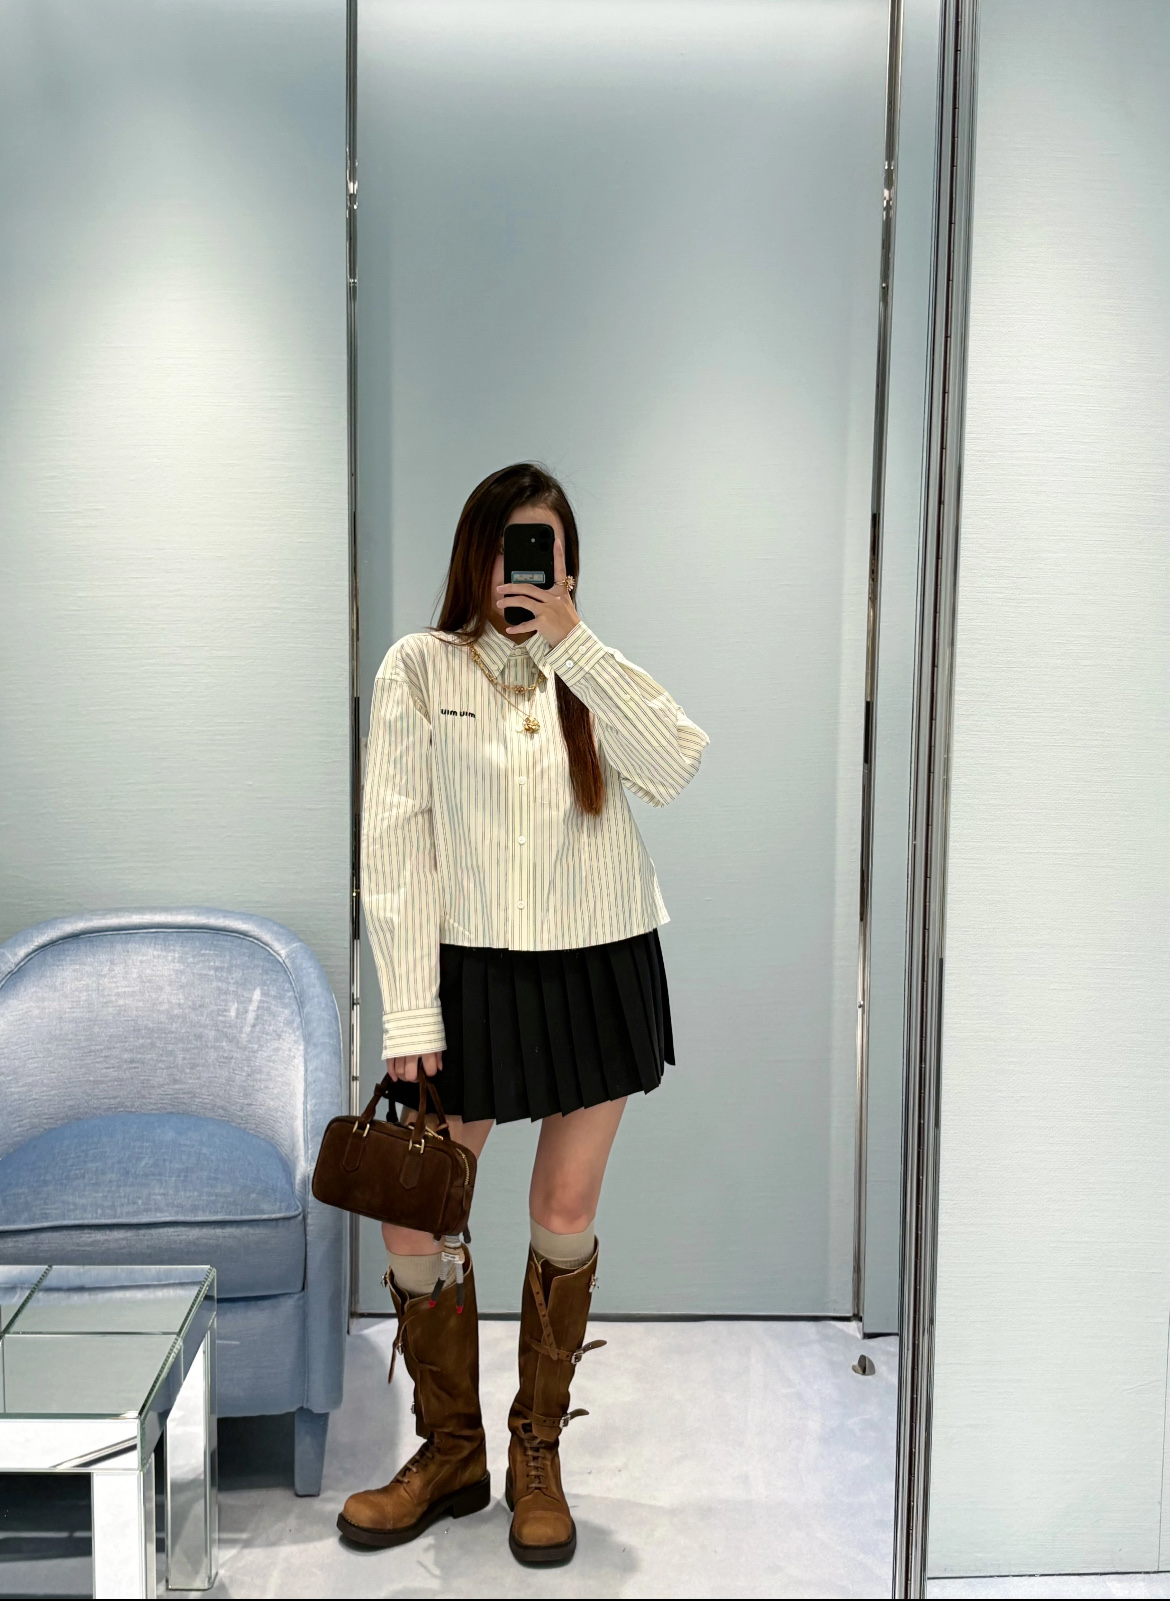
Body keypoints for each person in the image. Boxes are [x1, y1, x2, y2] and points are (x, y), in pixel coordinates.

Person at [338, 462, 708, 1566]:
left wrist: (572, 642)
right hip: (466, 979)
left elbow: (675, 765)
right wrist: (409, 1011)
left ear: (568, 565)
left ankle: (536, 1451)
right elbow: (394, 844)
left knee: (564, 1205)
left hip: (598, 961)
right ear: (475, 556)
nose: (523, 570)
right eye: (508, 548)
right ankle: (450, 1449)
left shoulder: (585, 668)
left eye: (543, 549)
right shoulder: (419, 667)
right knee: (417, 1213)